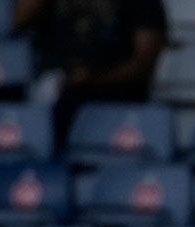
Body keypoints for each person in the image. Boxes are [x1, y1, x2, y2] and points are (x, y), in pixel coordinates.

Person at [16, 0, 166, 138]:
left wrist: (94, 79)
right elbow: (14, 23)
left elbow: (144, 62)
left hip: (113, 97)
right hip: (50, 88)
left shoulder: (144, 3)